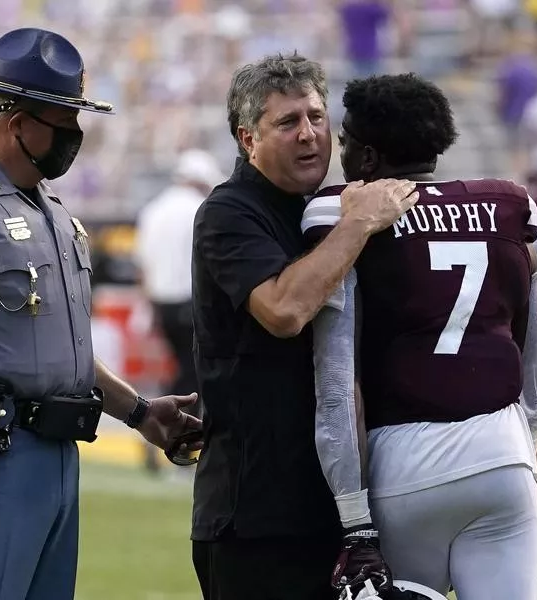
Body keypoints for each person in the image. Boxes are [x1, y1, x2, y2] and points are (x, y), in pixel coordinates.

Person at [0, 28, 201, 600]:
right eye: (65, 121)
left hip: (55, 457)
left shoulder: (53, 213)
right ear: (18, 122)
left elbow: (65, 351)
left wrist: (139, 413)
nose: (76, 135)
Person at [301, 73, 537, 599]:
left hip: (406, 461)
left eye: (346, 143)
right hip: (503, 454)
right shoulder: (509, 206)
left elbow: (338, 384)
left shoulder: (341, 212)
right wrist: (522, 448)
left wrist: (354, 519)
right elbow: (536, 356)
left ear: (368, 159)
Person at [190, 53, 419, 600]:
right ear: (248, 139)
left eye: (317, 118)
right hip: (257, 518)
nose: (309, 134)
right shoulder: (229, 212)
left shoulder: (323, 208)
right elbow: (285, 310)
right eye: (287, 122)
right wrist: (359, 222)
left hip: (338, 511)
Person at [135, 149, 223, 470]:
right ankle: (172, 436)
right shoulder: (198, 209)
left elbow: (142, 266)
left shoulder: (153, 209)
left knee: (183, 372)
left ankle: (155, 423)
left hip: (161, 303)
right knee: (193, 377)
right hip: (190, 302)